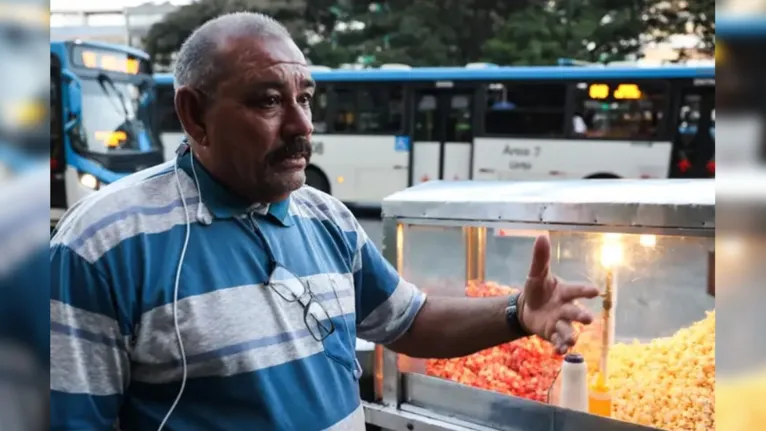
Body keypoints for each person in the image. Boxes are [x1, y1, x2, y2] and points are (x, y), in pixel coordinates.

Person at [50, 12, 599, 431]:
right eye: (268, 102)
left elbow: (411, 321)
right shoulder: (102, 246)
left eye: (305, 99)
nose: (300, 126)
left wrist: (517, 312)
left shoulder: (327, 217)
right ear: (194, 114)